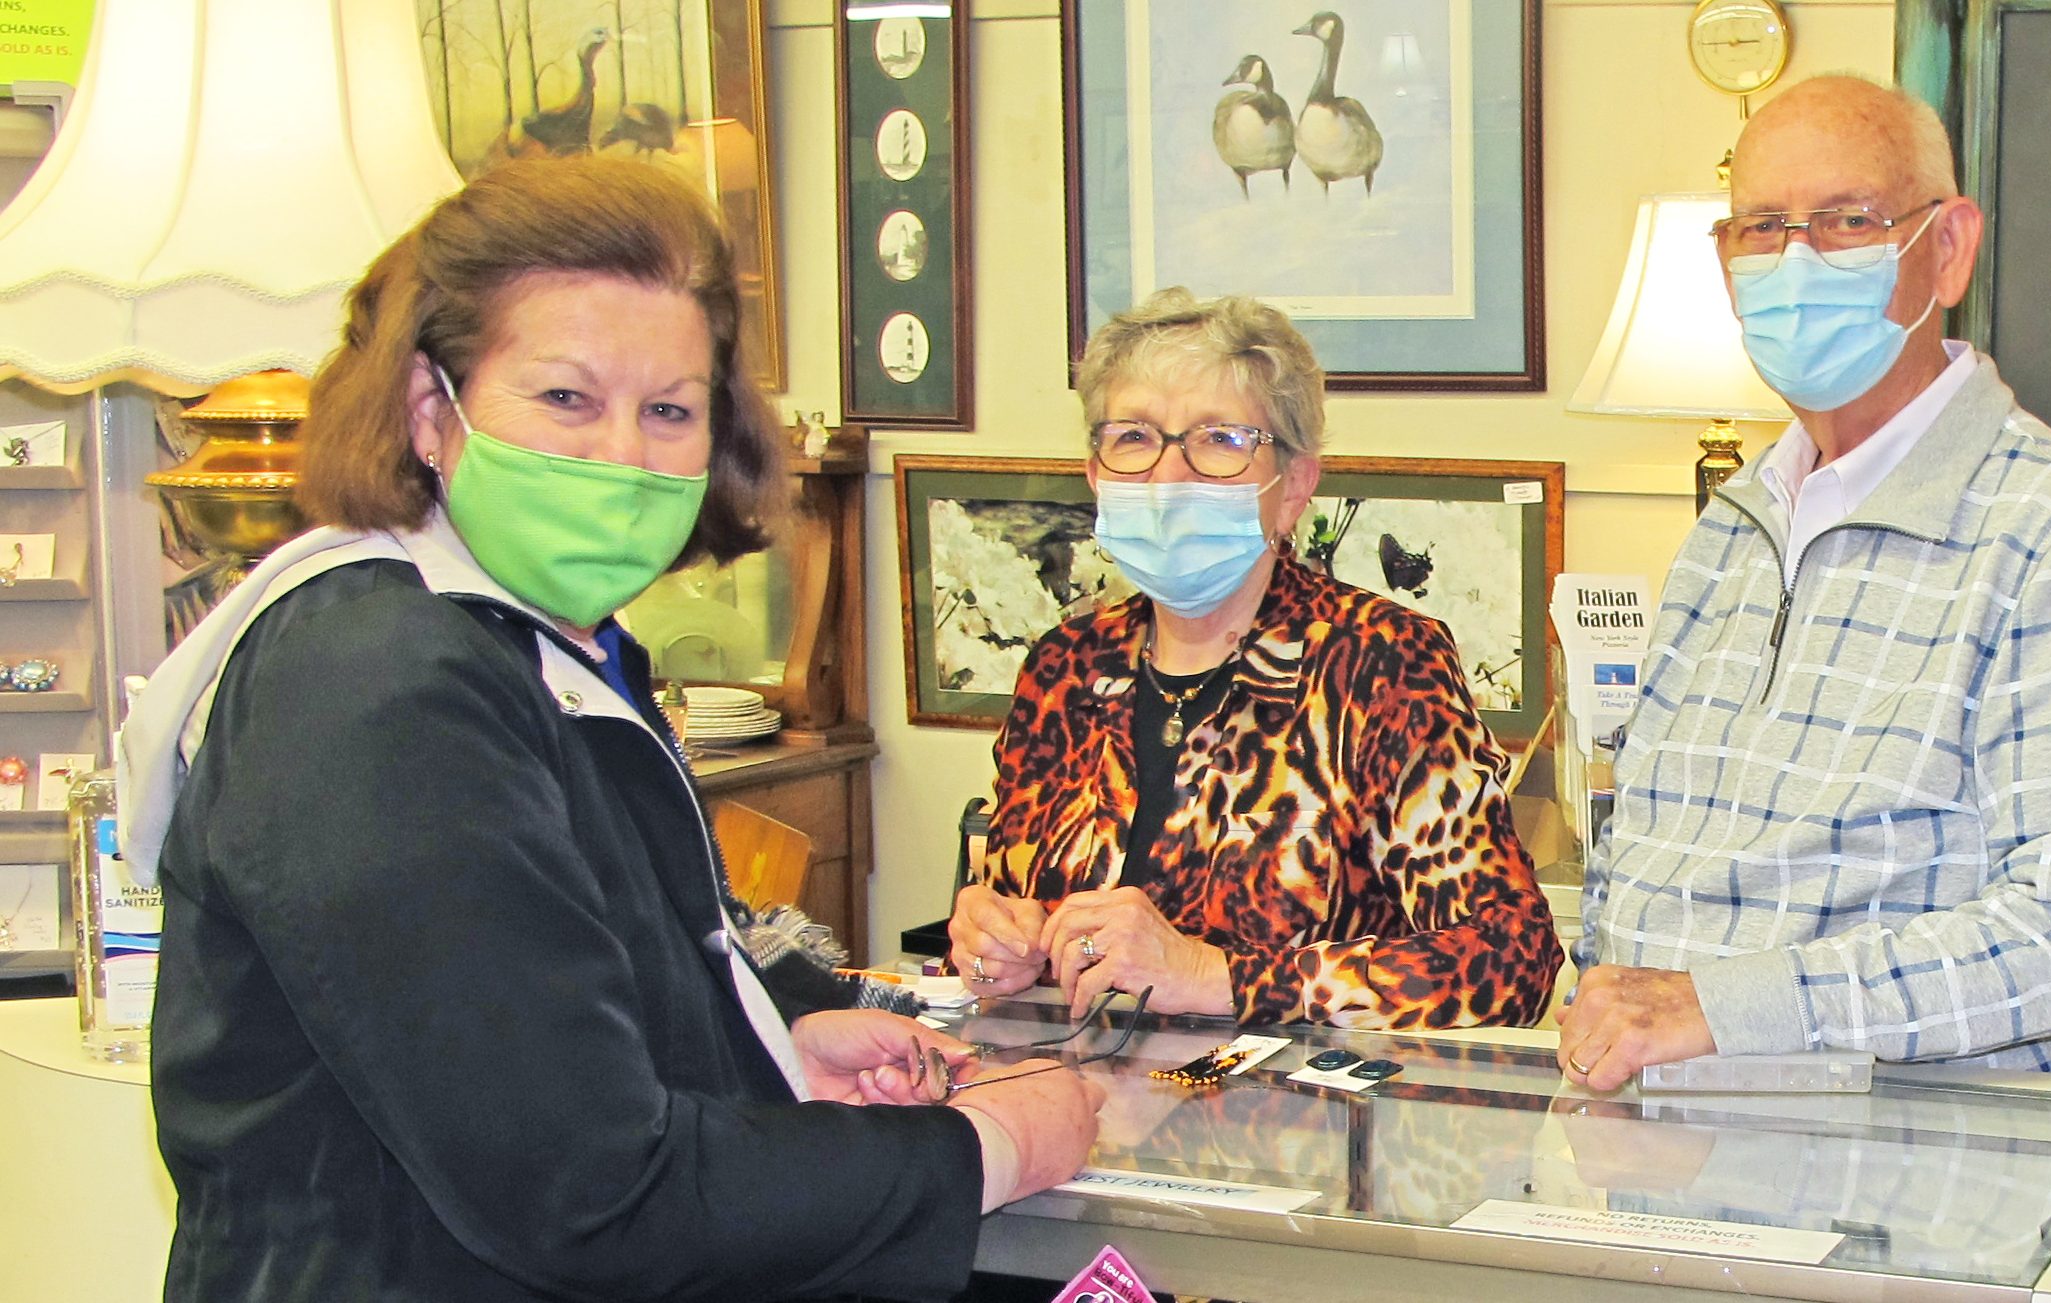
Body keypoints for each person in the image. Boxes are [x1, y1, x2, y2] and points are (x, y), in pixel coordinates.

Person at [118, 156, 1100, 1302]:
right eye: (567, 400)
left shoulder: (539, 646)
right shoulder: (379, 686)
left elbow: (565, 1000)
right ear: (430, 408)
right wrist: (991, 1146)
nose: (624, 457)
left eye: (669, 411)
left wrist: (768, 1042)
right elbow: (586, 1190)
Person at [1557, 75, 2051, 1090]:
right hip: (1662, 1151)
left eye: (1847, 221)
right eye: (1762, 228)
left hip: (1904, 1169)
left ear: (1948, 249)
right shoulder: (1730, 531)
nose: (1796, 261)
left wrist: (1728, 1008)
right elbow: (1633, 853)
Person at [946, 288, 1561, 1029]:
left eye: (1219, 439)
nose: (1167, 478)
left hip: (1290, 1098)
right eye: (1134, 437)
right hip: (1076, 1086)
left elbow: (1512, 960)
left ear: (1294, 486)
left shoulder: (1376, 663)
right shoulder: (1065, 668)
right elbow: (1021, 915)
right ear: (1095, 473)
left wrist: (1215, 976)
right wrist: (999, 944)